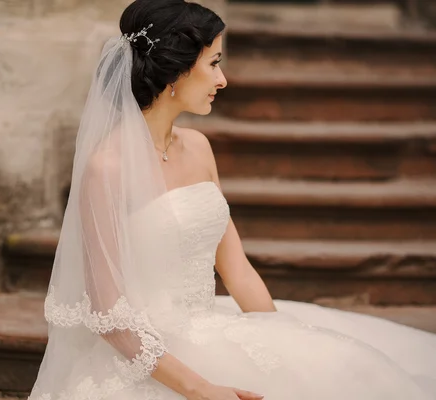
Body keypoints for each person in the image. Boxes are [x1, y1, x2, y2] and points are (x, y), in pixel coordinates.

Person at [28, 1, 436, 399]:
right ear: (175, 71)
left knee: (344, 369)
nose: (222, 80)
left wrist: (287, 345)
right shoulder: (107, 169)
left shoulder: (199, 147)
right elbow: (109, 317)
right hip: (151, 355)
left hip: (210, 326)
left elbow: (236, 267)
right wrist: (201, 389)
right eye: (214, 63)